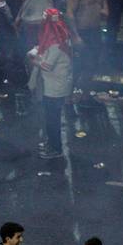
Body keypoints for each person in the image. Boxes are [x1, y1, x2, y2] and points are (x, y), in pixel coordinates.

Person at [28, 8, 72, 160]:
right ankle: (51, 143)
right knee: (50, 118)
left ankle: (56, 148)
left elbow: (47, 65)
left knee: (53, 119)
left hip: (55, 88)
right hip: (52, 85)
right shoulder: (59, 37)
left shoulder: (56, 43)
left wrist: (33, 59)